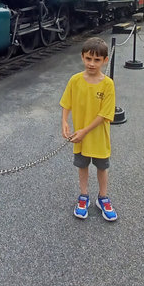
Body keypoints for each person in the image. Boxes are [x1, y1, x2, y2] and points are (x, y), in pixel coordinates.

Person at [60, 37, 117, 222]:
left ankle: (103, 197)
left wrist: (84, 131)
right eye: (88, 59)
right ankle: (83, 195)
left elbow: (104, 114)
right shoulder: (75, 80)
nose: (92, 63)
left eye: (97, 60)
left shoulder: (108, 84)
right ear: (82, 57)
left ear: (105, 60)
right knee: (82, 165)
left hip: (98, 136)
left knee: (102, 167)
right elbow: (66, 102)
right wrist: (64, 121)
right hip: (80, 136)